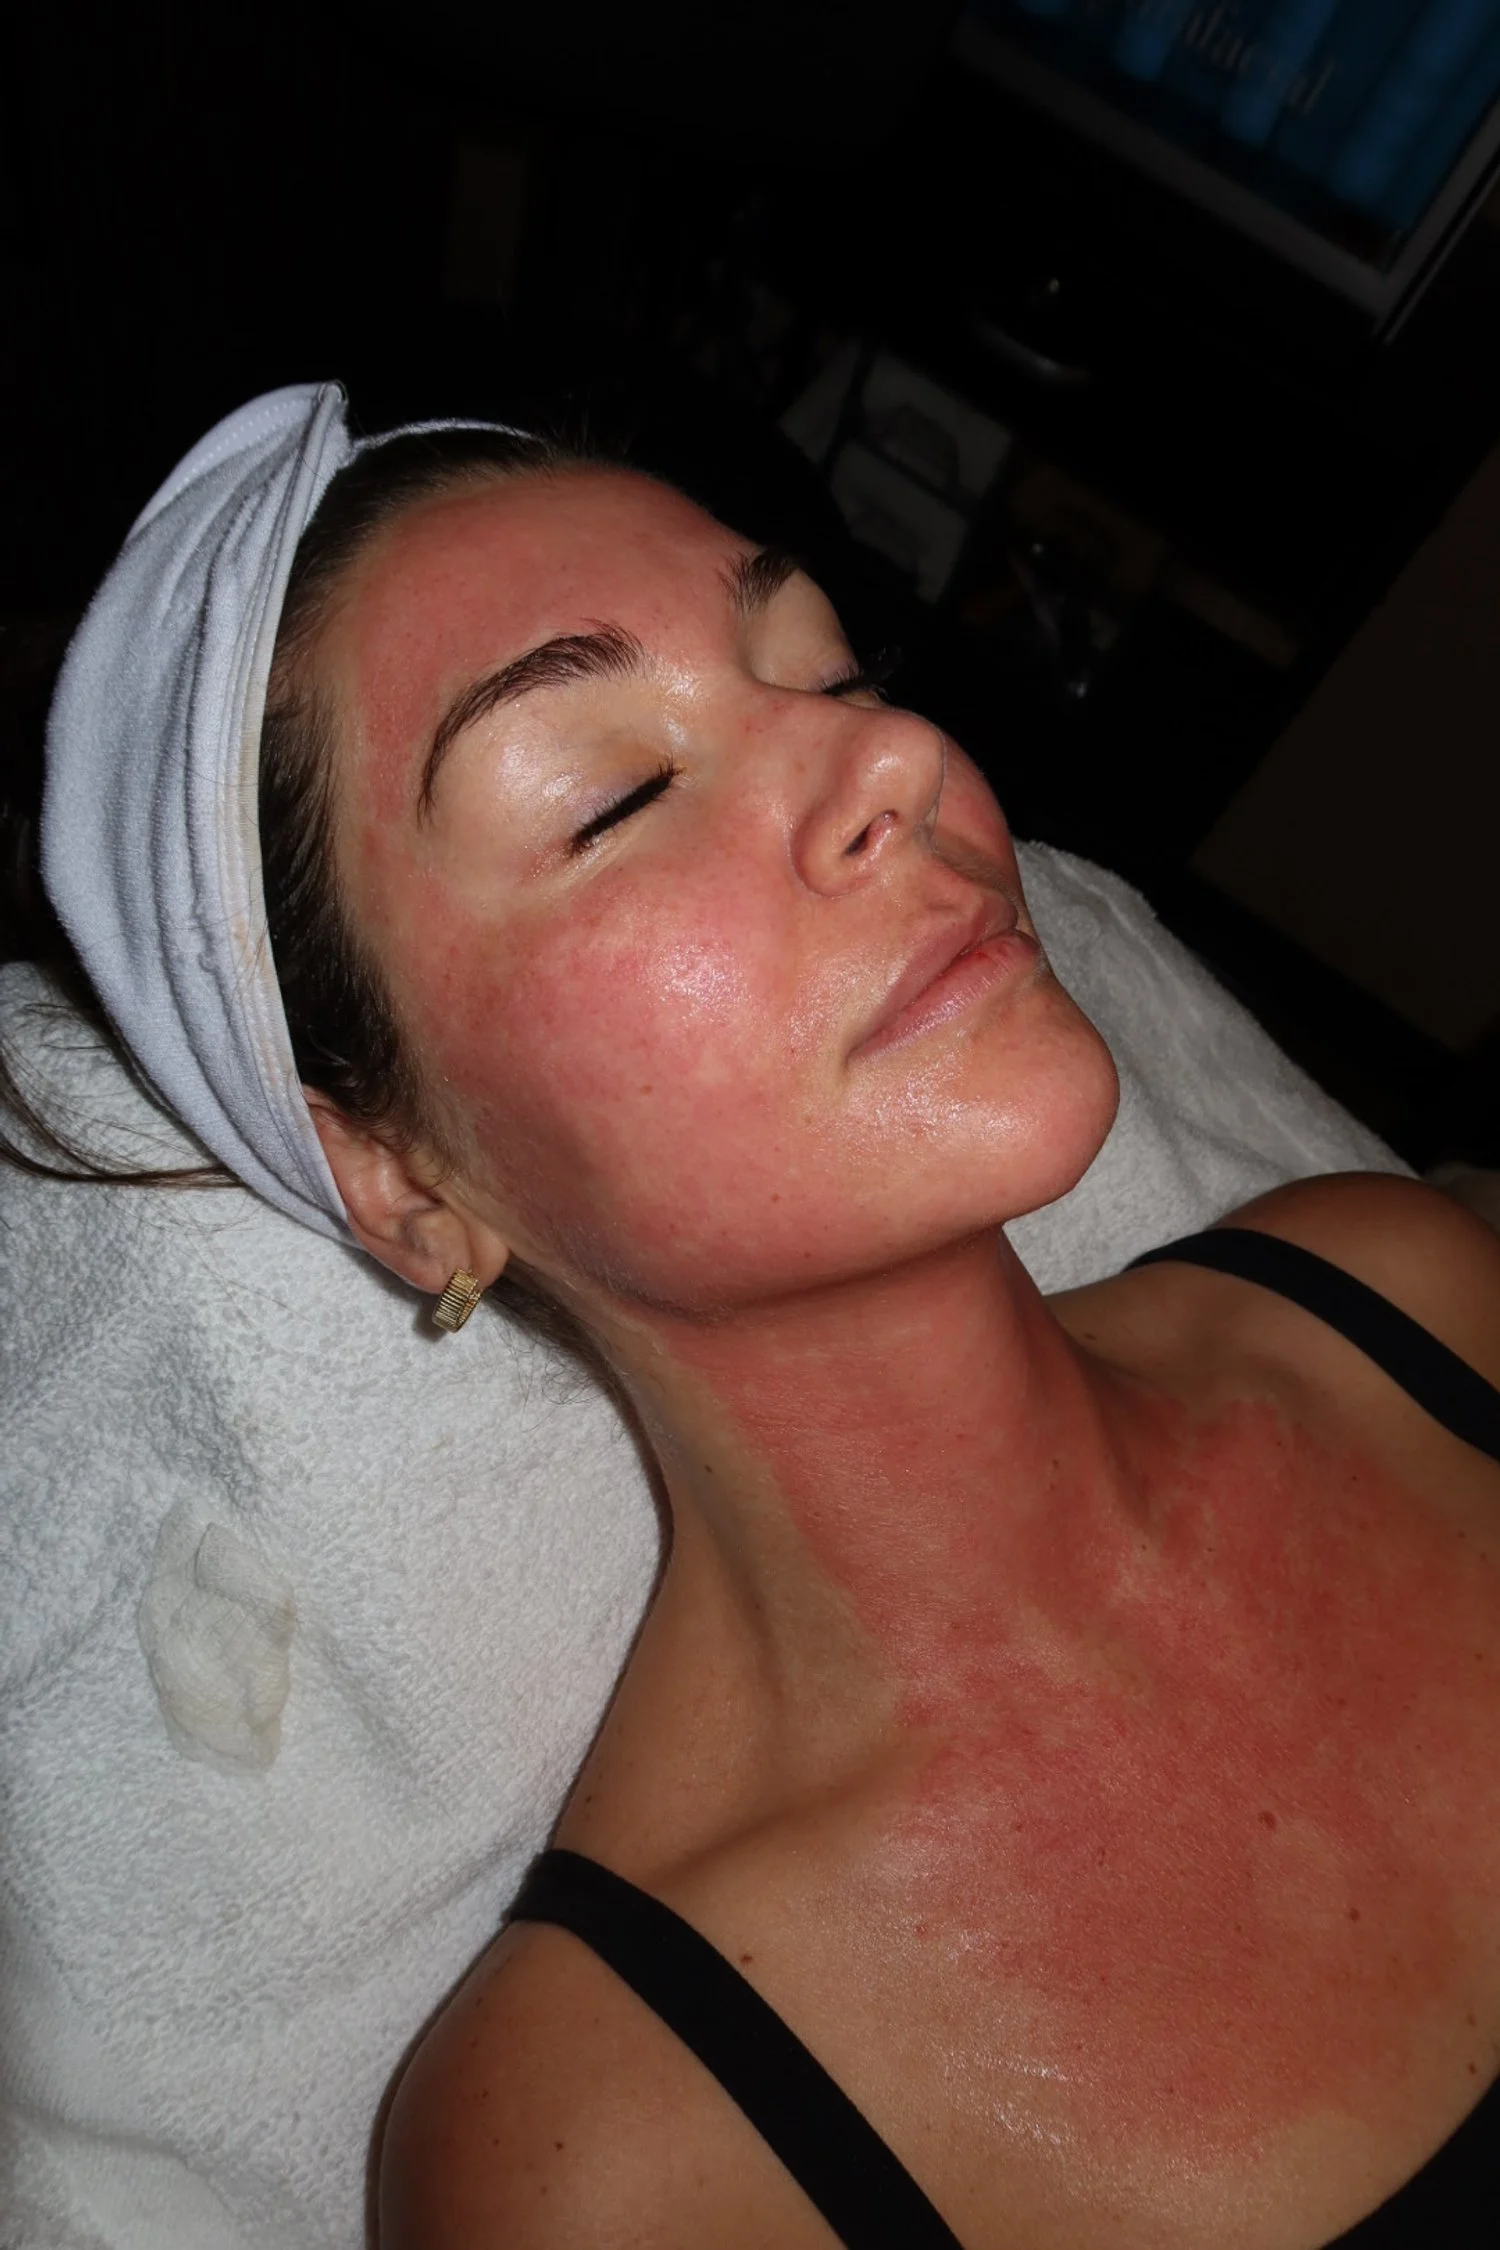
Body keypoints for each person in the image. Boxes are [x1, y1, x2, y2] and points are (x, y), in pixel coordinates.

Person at [28, 386, 1500, 2250]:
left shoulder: (1406, 1301)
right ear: (406, 1178)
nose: (888, 754)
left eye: (820, 666)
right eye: (615, 792)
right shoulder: (618, 2154)